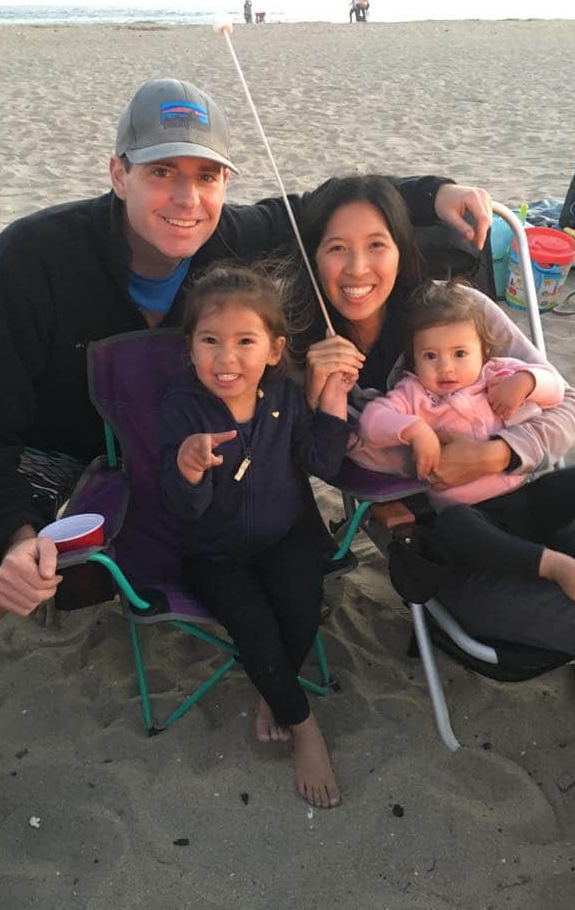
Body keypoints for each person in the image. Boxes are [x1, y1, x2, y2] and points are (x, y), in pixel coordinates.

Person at [0, 75, 493, 630]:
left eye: (207, 176)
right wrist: (16, 536)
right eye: (161, 172)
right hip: (48, 447)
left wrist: (433, 193)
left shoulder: (231, 236)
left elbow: (323, 207)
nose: (187, 200)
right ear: (118, 173)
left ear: (224, 182)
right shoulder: (30, 259)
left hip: (162, 448)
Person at [294, 173, 575, 797]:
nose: (358, 266)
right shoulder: (312, 352)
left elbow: (564, 402)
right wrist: (323, 404)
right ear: (314, 256)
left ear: (402, 247)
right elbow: (335, 464)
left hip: (534, 506)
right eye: (336, 247)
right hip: (456, 548)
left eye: (377, 244)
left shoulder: (461, 313)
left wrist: (498, 452)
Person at [159, 263, 349, 808]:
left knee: (301, 604)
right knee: (254, 625)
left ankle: (275, 695)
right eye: (210, 341)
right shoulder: (181, 407)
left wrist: (331, 401)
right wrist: (189, 467)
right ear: (190, 347)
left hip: (286, 534)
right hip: (213, 552)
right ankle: (305, 727)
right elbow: (180, 505)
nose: (227, 358)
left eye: (245, 341)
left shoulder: (284, 395)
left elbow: (319, 460)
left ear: (272, 349)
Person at [352, 279, 575, 607]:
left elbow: (556, 389)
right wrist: (413, 429)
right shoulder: (413, 393)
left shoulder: (496, 374)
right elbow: (373, 422)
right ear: (414, 360)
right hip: (475, 517)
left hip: (525, 496)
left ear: (483, 352)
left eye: (460, 353)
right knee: (453, 526)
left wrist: (525, 382)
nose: (446, 367)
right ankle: (555, 566)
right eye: (430, 355)